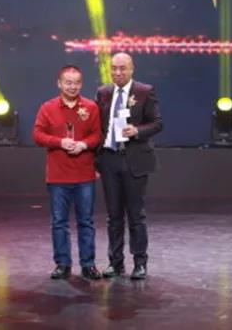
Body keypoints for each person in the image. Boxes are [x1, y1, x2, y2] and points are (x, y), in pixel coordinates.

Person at [95, 53, 163, 280]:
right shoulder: (103, 92)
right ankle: (115, 263)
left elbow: (157, 123)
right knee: (113, 216)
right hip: (109, 159)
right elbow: (98, 126)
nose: (118, 72)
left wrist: (137, 131)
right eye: (114, 68)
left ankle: (140, 263)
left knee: (136, 215)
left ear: (132, 69)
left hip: (134, 160)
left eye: (122, 68)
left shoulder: (144, 91)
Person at [33, 65, 102, 280]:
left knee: (86, 221)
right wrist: (59, 142)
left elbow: (97, 135)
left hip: (84, 175)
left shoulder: (91, 107)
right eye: (68, 82)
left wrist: (83, 145)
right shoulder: (48, 107)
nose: (73, 86)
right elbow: (37, 134)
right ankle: (62, 264)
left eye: (77, 82)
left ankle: (88, 264)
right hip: (58, 176)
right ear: (59, 83)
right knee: (59, 222)